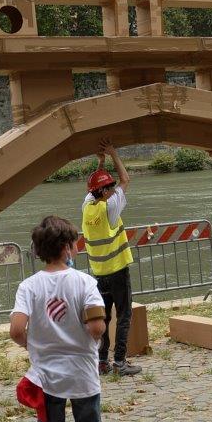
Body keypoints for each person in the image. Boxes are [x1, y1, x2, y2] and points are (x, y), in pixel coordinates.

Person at [10, 215, 116, 422]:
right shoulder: (84, 282)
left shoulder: (29, 286)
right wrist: (87, 338)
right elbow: (97, 326)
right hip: (83, 374)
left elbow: (16, 329)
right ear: (69, 246)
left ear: (40, 251)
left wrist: (36, 345)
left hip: (46, 379)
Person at [81, 140, 141, 376]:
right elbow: (126, 180)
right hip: (117, 271)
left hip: (99, 274)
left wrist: (101, 162)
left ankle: (102, 361)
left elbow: (92, 189)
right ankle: (120, 362)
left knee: (103, 317)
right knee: (124, 316)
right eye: (110, 187)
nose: (114, 189)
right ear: (104, 192)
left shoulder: (87, 207)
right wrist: (115, 154)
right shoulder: (110, 208)